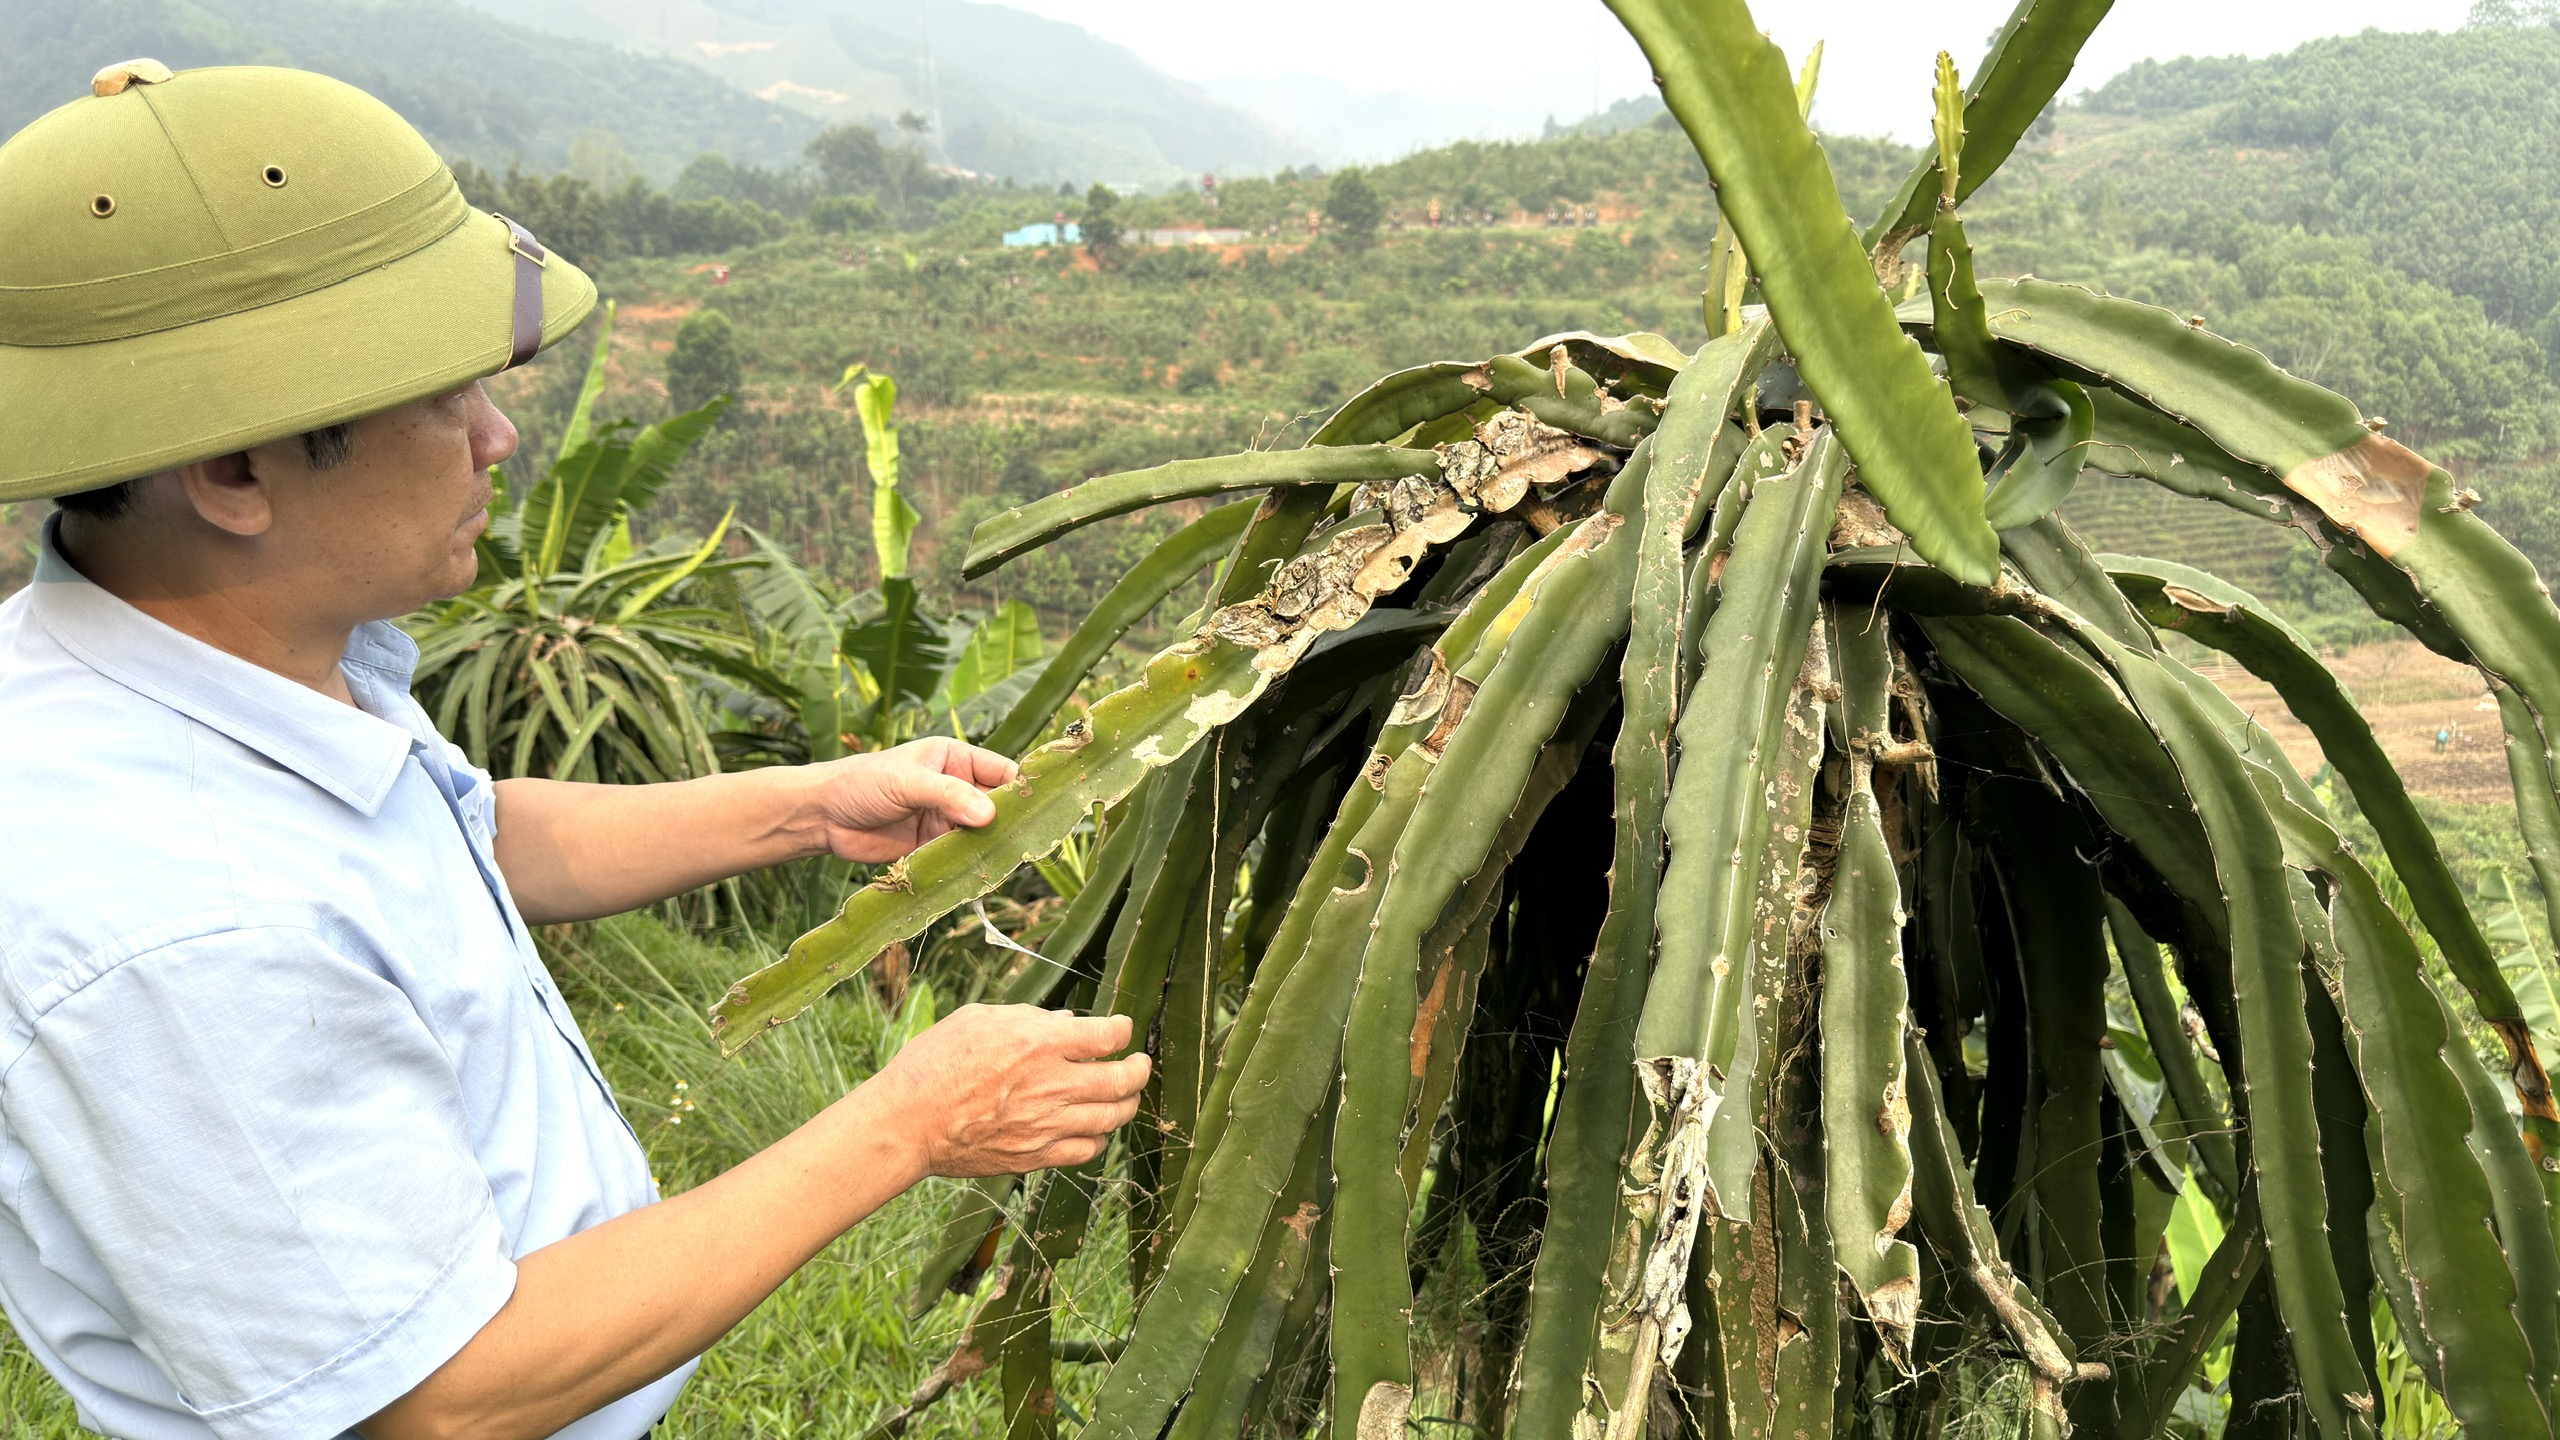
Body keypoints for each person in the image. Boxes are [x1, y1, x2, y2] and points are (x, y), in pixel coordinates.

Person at [0, 61, 1149, 1440]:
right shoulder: (179, 921)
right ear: (234, 472)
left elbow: (451, 833)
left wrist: (806, 806)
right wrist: (910, 1120)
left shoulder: (214, 658)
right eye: (445, 399)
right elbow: (443, 1394)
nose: (498, 437)